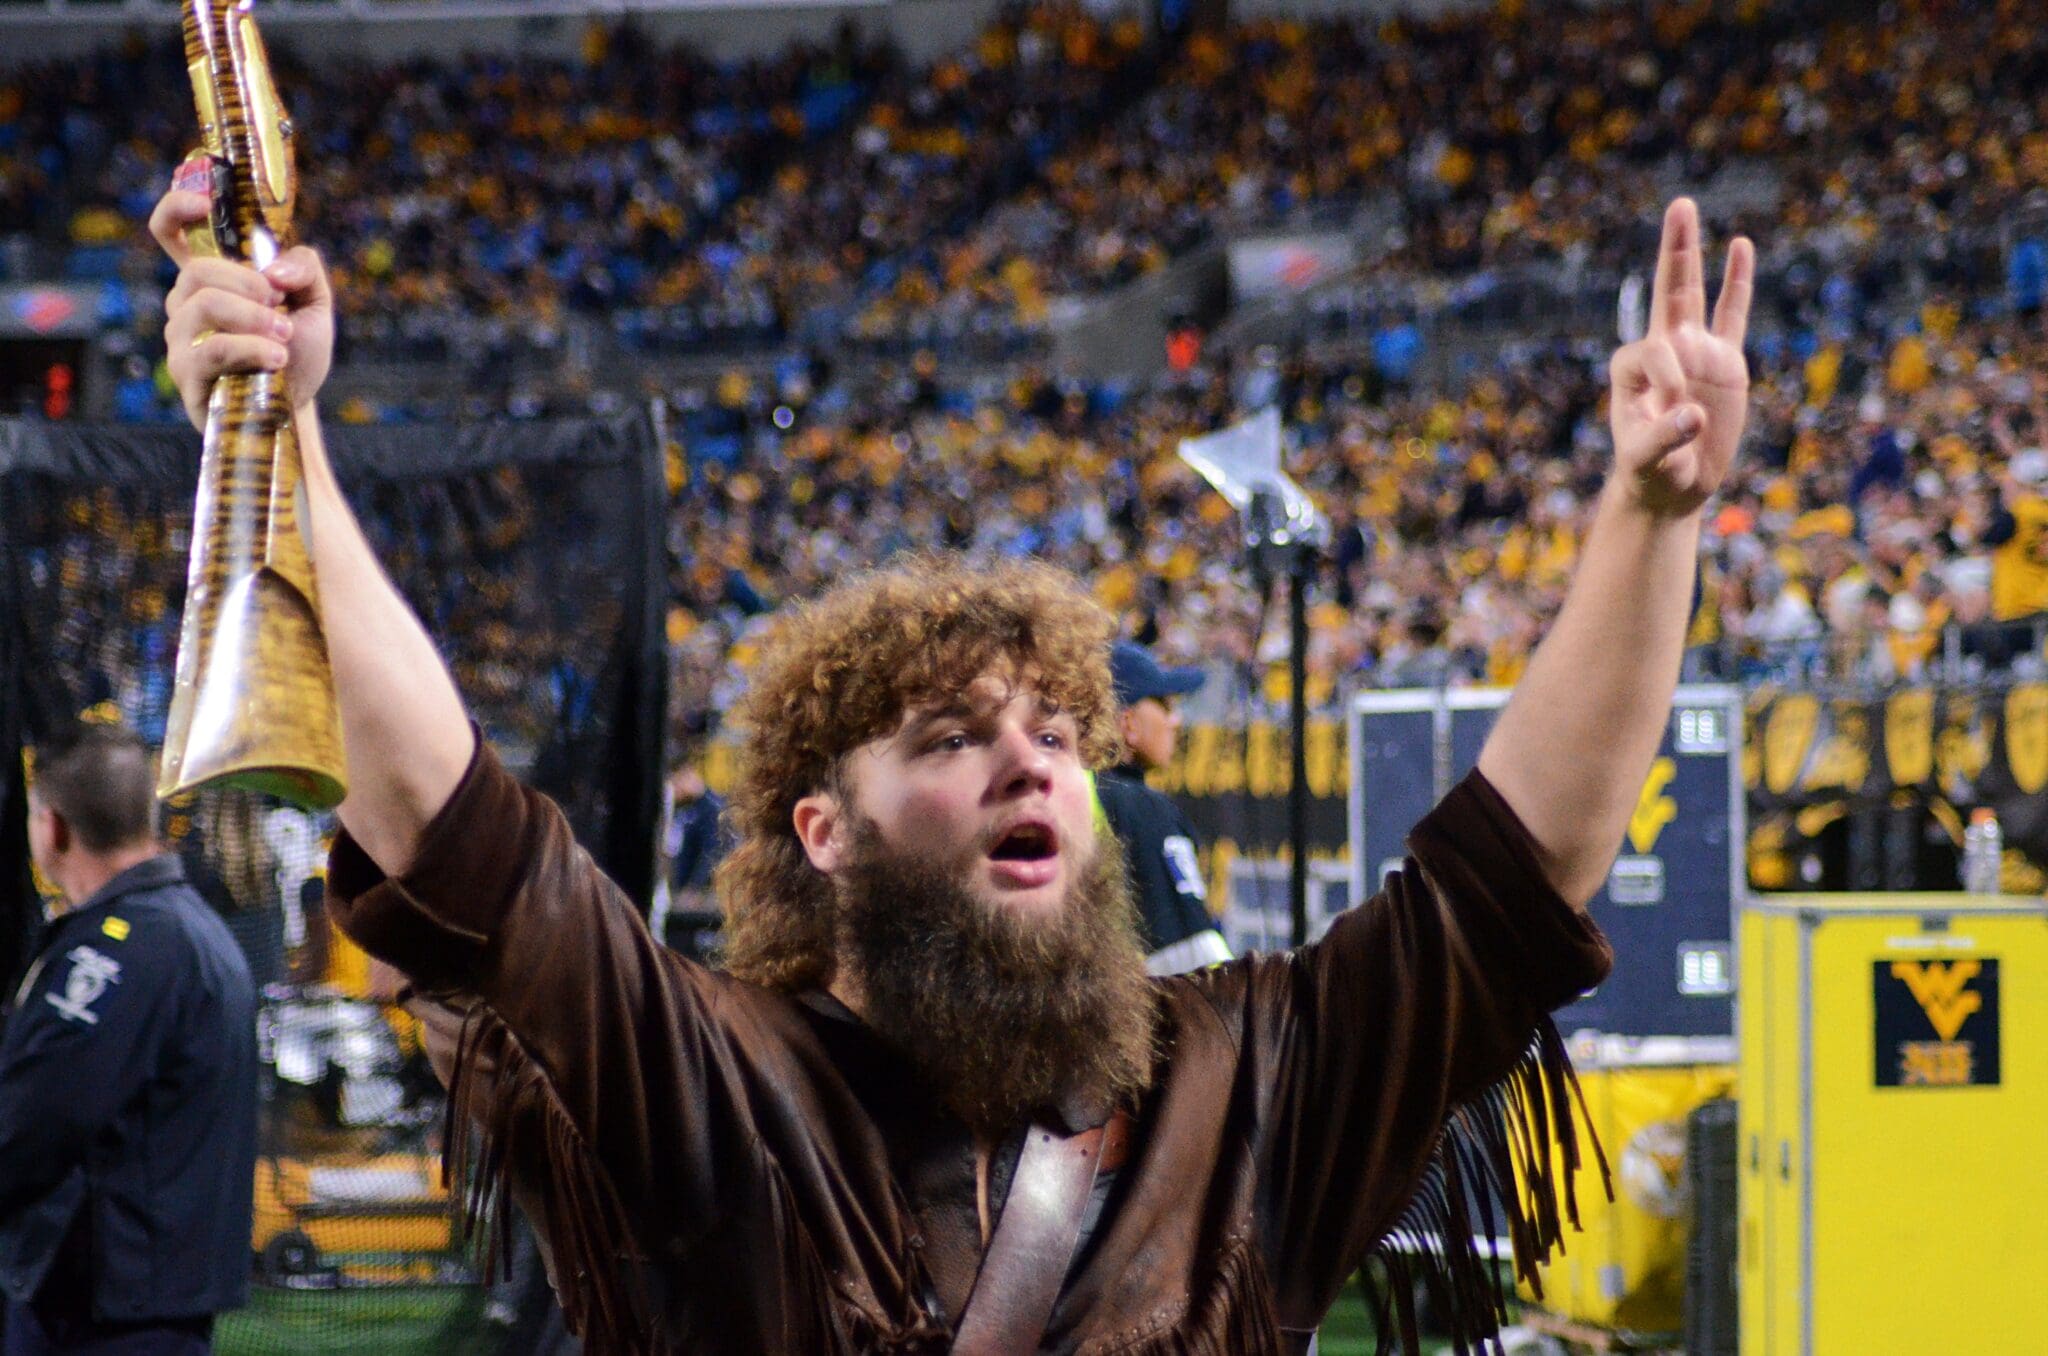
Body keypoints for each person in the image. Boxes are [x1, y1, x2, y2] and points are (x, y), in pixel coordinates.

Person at [149, 183, 1752, 1355]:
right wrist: (281, 437)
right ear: (822, 831)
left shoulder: (1246, 1081)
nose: (1029, 763)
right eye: (953, 739)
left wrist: (1655, 518)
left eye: (1057, 734)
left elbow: (1508, 877)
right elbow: (454, 833)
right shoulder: (713, 1079)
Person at [0, 723, 258, 1356]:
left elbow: (33, 1123)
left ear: (53, 827)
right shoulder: (194, 930)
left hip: (106, 1317)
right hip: (156, 1301)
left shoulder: (123, 950)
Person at [1093, 640, 1232, 974]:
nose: (1176, 720)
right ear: (1127, 723)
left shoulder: (1068, 793)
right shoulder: (1144, 808)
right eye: (1165, 705)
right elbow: (1191, 956)